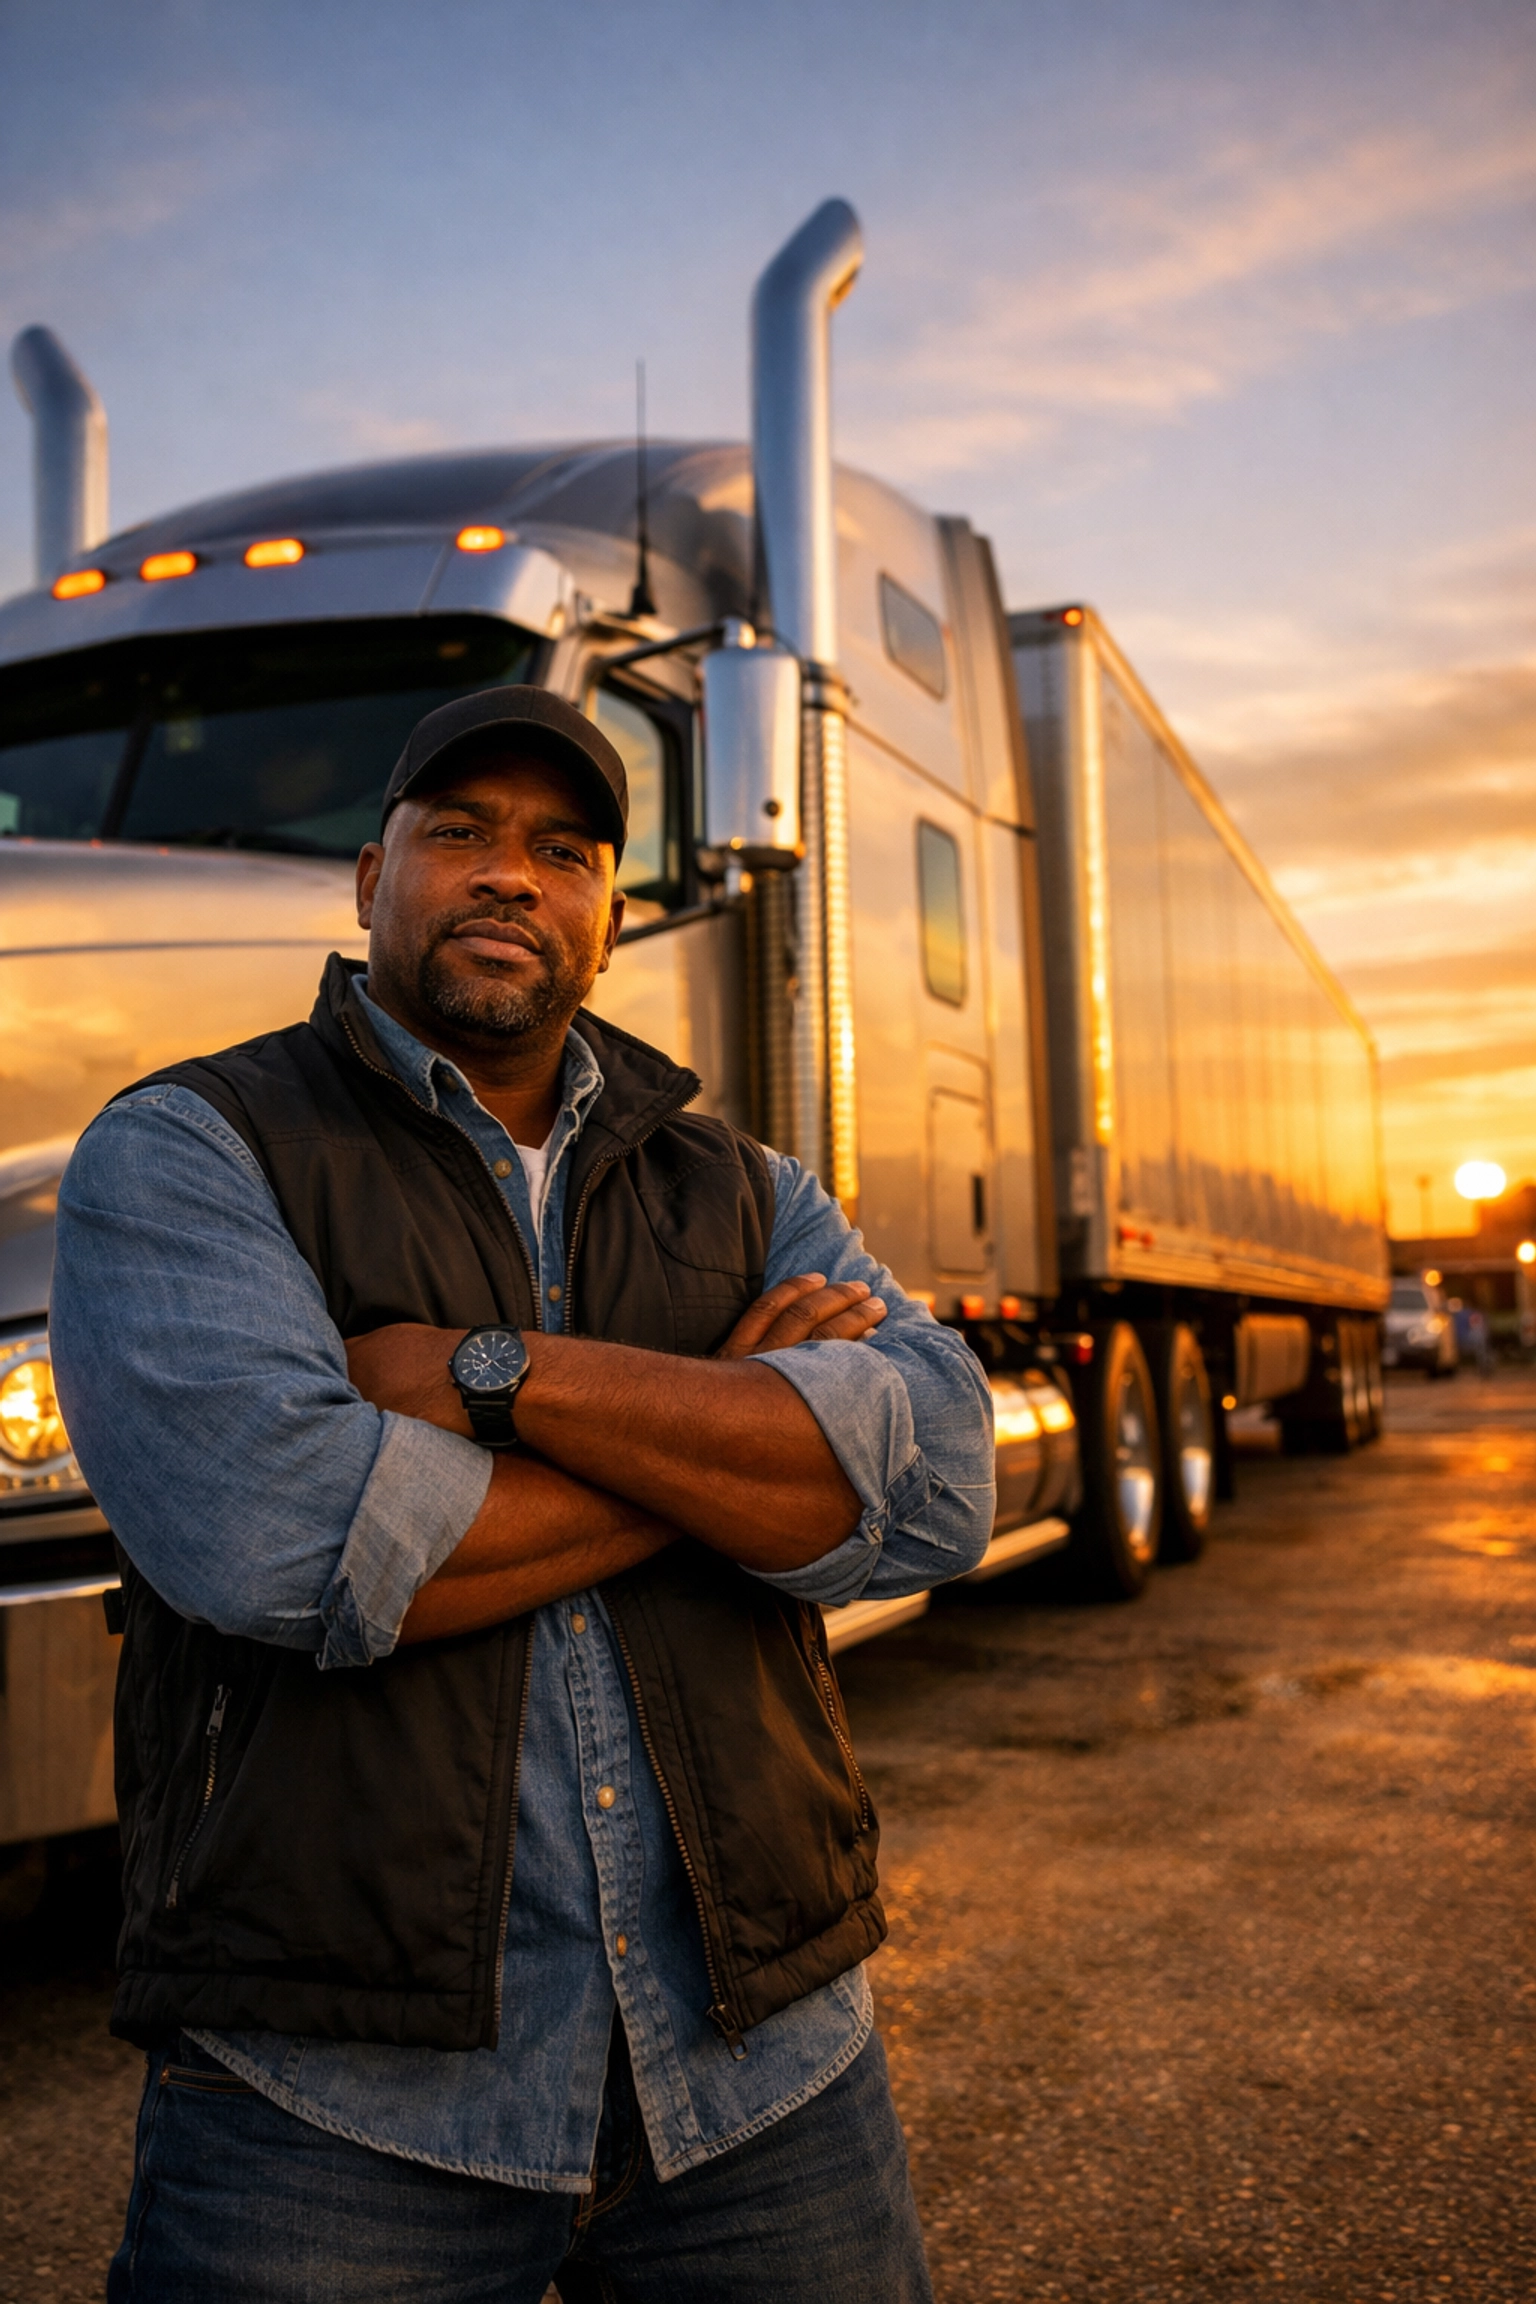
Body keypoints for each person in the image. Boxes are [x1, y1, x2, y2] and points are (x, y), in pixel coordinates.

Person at [52, 684, 995, 2303]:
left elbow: (940, 1484)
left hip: (763, 2069)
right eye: (462, 834)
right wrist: (734, 1433)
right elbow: (302, 1545)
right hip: (337, 2097)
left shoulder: (745, 1184)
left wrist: (494, 1381)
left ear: (610, 922)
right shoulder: (193, 1149)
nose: (512, 875)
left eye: (563, 849)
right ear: (369, 880)